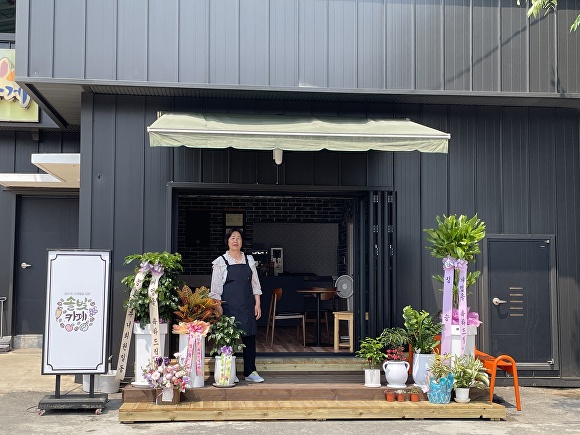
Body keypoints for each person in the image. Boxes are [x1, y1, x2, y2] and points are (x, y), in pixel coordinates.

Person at [209, 228, 264, 383]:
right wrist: (218, 307)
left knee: (249, 338)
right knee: (228, 340)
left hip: (247, 306)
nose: (235, 241)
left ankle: (250, 372)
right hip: (228, 307)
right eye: (232, 238)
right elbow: (215, 289)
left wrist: (257, 304)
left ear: (242, 242)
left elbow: (255, 284)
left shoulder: (249, 260)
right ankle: (229, 372)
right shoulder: (220, 262)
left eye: (238, 238)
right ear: (227, 241)